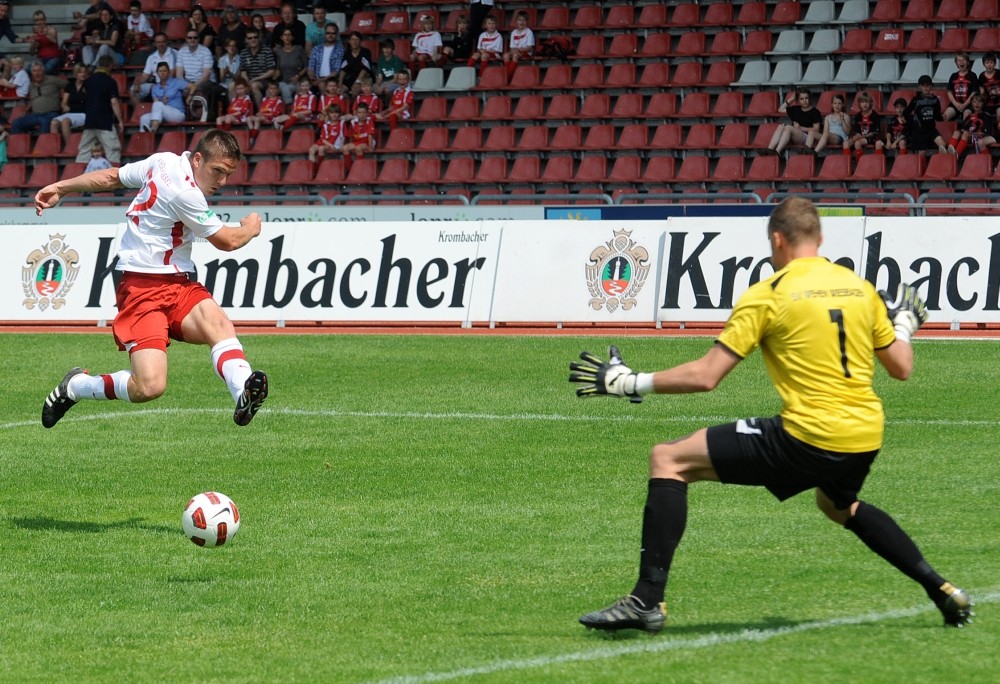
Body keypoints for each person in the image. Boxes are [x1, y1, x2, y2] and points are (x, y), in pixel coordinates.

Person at [568, 196, 973, 634]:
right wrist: (904, 326)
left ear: (777, 239)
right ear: (819, 238)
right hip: (863, 436)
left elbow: (707, 376)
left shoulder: (768, 294)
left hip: (807, 436)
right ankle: (942, 590)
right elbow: (901, 367)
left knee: (668, 459)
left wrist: (630, 382)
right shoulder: (858, 287)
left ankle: (646, 600)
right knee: (838, 506)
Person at [36, 129, 269, 430]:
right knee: (149, 387)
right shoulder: (185, 193)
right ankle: (76, 386)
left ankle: (243, 395)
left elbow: (112, 177)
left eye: (228, 174)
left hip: (178, 283)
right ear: (197, 159)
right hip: (141, 288)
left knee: (219, 325)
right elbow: (227, 241)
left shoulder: (162, 161)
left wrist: (62, 187)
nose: (222, 182)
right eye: (218, 172)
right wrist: (251, 226)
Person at [75, 55, 123, 165]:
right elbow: (114, 102)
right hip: (105, 120)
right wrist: (120, 120)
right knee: (113, 151)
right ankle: (113, 179)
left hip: (90, 120)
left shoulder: (88, 81)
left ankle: (77, 178)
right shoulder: (110, 81)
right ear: (110, 66)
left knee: (84, 151)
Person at [11, 61, 66, 134]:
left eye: (39, 70)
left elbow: (69, 86)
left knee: (44, 122)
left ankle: (44, 145)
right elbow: (33, 99)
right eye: (34, 71)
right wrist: (26, 110)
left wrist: (64, 101)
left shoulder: (53, 80)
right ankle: (18, 145)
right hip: (35, 115)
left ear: (43, 71)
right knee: (16, 123)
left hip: (51, 114)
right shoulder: (31, 85)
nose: (37, 73)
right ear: (32, 73)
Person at [176, 27, 218, 122]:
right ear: (186, 39)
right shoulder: (181, 52)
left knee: (199, 89)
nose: (192, 40)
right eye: (190, 38)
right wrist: (186, 85)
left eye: (195, 37)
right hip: (188, 82)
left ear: (199, 39)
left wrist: (192, 87)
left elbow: (206, 75)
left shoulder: (205, 51)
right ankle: (183, 116)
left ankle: (201, 118)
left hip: (205, 81)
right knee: (175, 89)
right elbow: (179, 74)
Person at [764, 88, 822, 155]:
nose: (804, 101)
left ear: (809, 99)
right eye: (801, 99)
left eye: (806, 98)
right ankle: (770, 149)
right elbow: (780, 110)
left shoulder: (815, 112)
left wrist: (801, 128)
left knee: (788, 127)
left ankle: (778, 151)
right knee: (781, 126)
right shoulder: (795, 109)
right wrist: (791, 99)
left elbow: (816, 130)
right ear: (798, 100)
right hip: (793, 135)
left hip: (807, 137)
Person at [905, 75, 949, 155]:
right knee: (922, 153)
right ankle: (922, 167)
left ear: (931, 86)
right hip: (920, 132)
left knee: (943, 145)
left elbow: (937, 115)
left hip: (931, 130)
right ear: (919, 87)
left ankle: (940, 165)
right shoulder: (916, 99)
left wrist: (942, 118)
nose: (926, 88)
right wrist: (907, 119)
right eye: (923, 86)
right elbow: (907, 112)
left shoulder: (935, 100)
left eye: (928, 86)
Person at [130, 32, 177, 107]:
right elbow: (145, 75)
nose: (161, 44)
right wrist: (137, 83)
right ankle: (140, 112)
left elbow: (172, 74)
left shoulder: (174, 54)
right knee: (133, 90)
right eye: (158, 42)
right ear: (155, 43)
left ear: (166, 42)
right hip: (154, 84)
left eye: (163, 42)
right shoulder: (152, 57)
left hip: (169, 84)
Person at [139, 61, 186, 133]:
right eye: (160, 71)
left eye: (164, 71)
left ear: (168, 72)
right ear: (157, 73)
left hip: (178, 113)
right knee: (144, 118)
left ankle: (153, 130)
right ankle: (144, 141)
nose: (162, 73)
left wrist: (190, 96)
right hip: (163, 113)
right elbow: (156, 103)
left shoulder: (176, 82)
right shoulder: (155, 87)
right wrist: (163, 102)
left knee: (158, 104)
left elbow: (192, 86)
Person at [51, 63, 89, 145]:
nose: (83, 74)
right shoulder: (70, 85)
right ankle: (54, 147)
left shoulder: (89, 85)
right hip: (71, 113)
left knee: (65, 122)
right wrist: (64, 106)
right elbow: (64, 102)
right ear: (75, 73)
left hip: (84, 113)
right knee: (54, 122)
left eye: (85, 72)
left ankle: (69, 147)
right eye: (80, 72)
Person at [239, 28, 279, 107]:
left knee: (254, 85)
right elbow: (243, 71)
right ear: (246, 40)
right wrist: (246, 82)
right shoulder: (243, 52)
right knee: (232, 86)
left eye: (255, 37)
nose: (253, 40)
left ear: (259, 38)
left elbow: (271, 72)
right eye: (250, 38)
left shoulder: (267, 51)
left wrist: (254, 79)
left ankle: (261, 111)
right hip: (249, 80)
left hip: (265, 80)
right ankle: (236, 111)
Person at [274, 26, 308, 103]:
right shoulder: (279, 51)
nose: (287, 37)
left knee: (286, 89)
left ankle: (289, 109)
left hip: (298, 81)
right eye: (285, 35)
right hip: (283, 81)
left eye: (289, 35)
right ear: (281, 37)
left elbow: (306, 66)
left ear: (293, 37)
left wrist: (298, 76)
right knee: (270, 90)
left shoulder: (299, 49)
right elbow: (278, 68)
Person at [845, 91, 880, 162]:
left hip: (871, 138)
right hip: (860, 137)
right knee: (846, 143)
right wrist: (857, 136)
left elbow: (873, 133)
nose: (865, 104)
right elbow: (857, 131)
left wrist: (860, 137)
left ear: (871, 103)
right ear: (859, 104)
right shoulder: (858, 116)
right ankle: (847, 166)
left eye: (867, 102)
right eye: (862, 102)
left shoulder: (874, 115)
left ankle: (859, 165)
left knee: (857, 143)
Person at [307, 22, 343, 92]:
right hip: (317, 78)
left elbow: (335, 72)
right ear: (324, 34)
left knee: (323, 85)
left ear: (337, 34)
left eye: (333, 33)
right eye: (328, 33)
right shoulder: (316, 48)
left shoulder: (340, 50)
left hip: (331, 80)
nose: (330, 35)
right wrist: (312, 79)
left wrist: (320, 80)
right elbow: (311, 67)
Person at [942, 52, 978, 122]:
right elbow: (949, 92)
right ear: (956, 63)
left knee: (967, 117)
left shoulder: (972, 75)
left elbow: (974, 92)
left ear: (967, 62)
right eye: (959, 60)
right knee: (944, 117)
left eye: (964, 60)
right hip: (955, 104)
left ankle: (965, 132)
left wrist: (964, 105)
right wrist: (955, 104)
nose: (961, 62)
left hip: (968, 105)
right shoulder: (953, 76)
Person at [340, 100, 374, 171]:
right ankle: (349, 170)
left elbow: (370, 135)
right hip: (356, 141)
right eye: (360, 112)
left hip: (366, 142)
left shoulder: (369, 121)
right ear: (356, 113)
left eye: (364, 112)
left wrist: (370, 147)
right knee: (345, 148)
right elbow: (350, 136)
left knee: (359, 148)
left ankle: (359, 169)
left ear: (367, 113)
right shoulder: (353, 122)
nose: (362, 114)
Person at [0, 0, 28, 80]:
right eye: (1, 10)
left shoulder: (5, 21)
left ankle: (2, 90)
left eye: (5, 11)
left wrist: (26, 40)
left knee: (7, 65)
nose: (3, 13)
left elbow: (13, 38)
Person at [27, 11, 62, 75]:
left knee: (47, 68)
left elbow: (54, 40)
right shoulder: (35, 33)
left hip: (53, 57)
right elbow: (31, 53)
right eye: (37, 20)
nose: (39, 22)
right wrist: (33, 43)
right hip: (41, 58)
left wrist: (44, 33)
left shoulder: (51, 29)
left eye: (41, 20)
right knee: (28, 69)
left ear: (45, 20)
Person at [503, 12, 534, 80]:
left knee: (515, 56)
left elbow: (529, 48)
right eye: (520, 20)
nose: (521, 22)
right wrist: (513, 51)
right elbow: (512, 47)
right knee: (506, 55)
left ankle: (507, 78)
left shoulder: (529, 32)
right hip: (516, 51)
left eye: (524, 20)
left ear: (527, 22)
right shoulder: (514, 32)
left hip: (526, 52)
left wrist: (518, 50)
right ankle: (508, 75)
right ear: (516, 21)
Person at [977, 52, 1000, 121]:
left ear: (995, 64)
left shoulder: (999, 73)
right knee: (984, 117)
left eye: (991, 62)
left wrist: (998, 92)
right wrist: (982, 94)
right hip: (987, 104)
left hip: (999, 103)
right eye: (987, 63)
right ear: (984, 64)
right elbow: (981, 91)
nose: (989, 65)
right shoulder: (981, 76)